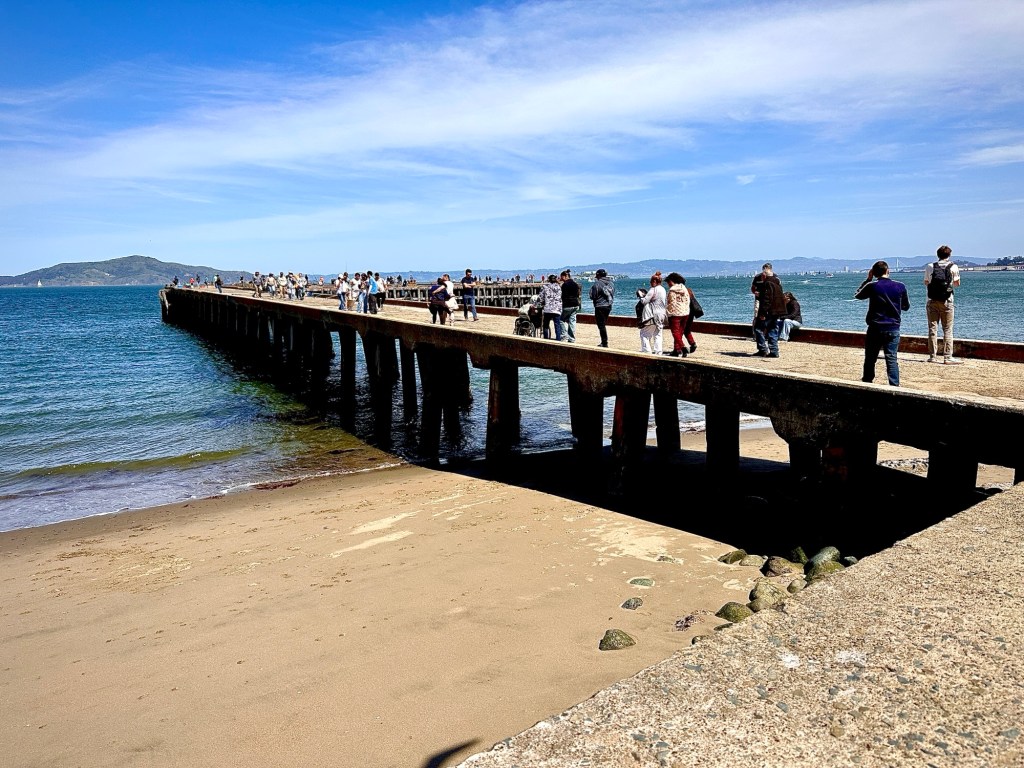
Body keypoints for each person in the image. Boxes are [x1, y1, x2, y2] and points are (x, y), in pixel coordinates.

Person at [855, 260, 910, 387]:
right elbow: (906, 307)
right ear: (888, 271)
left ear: (873, 273)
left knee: (870, 358)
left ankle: (867, 382)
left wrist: (868, 280)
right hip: (893, 327)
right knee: (891, 359)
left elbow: (858, 295)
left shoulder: (872, 286)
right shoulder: (900, 286)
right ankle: (894, 385)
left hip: (875, 327)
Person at [924, 245, 962, 364]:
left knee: (932, 329)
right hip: (947, 301)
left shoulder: (930, 266)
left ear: (938, 255)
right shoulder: (953, 266)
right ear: (949, 255)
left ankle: (932, 356)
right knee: (947, 329)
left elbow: (926, 282)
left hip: (932, 301)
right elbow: (957, 284)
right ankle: (947, 357)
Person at [751, 262, 786, 358]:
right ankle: (774, 351)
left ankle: (762, 349)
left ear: (765, 275)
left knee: (758, 328)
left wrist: (762, 313)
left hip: (768, 311)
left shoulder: (767, 284)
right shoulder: (777, 282)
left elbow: (767, 299)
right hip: (777, 310)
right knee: (773, 329)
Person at [637, 271, 667, 354]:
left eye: (651, 281)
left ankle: (646, 351)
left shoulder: (653, 289)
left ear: (654, 281)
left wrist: (640, 296)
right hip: (662, 313)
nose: (650, 283)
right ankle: (658, 351)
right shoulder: (663, 289)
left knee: (644, 333)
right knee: (658, 333)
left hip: (653, 314)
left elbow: (644, 301)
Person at [664, 272, 690, 357]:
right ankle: (676, 349)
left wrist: (668, 313)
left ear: (672, 281)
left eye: (668, 282)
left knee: (675, 332)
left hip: (675, 313)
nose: (668, 284)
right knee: (680, 332)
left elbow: (671, 303)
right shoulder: (684, 288)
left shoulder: (672, 291)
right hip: (685, 312)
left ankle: (682, 348)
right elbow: (688, 301)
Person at [589, 269, 615, 348]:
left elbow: (593, 296)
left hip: (600, 306)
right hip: (609, 306)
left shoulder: (597, 284)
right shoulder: (611, 283)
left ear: (598, 275)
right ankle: (604, 342)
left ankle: (604, 342)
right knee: (603, 324)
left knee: (601, 325)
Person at [539, 274, 563, 340]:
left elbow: (541, 297)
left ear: (549, 279)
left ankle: (546, 339)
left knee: (546, 325)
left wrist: (541, 303)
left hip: (548, 309)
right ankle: (558, 340)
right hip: (557, 309)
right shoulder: (559, 287)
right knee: (557, 325)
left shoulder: (545, 286)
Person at [559, 270, 581, 343]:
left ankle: (564, 335)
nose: (561, 278)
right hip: (575, 304)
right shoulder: (575, 284)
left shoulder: (565, 285)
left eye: (561, 276)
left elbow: (563, 296)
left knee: (561, 320)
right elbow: (578, 294)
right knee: (572, 321)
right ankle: (571, 338)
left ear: (565, 276)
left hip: (567, 305)